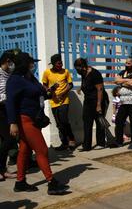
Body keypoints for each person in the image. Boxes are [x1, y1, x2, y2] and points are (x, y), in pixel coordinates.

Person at [6, 52, 69, 195]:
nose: (33, 65)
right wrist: (12, 123)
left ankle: (20, 182)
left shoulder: (30, 78)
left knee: (25, 150)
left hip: (34, 118)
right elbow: (10, 102)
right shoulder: (15, 80)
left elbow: (40, 93)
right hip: (25, 120)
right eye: (30, 63)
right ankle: (51, 183)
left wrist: (50, 91)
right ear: (24, 64)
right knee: (42, 150)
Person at [74, 58, 110, 151]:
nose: (77, 72)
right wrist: (80, 87)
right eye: (76, 69)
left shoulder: (95, 73)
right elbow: (86, 82)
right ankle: (87, 146)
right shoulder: (83, 73)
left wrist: (98, 105)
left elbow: (100, 89)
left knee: (99, 122)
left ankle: (101, 143)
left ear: (84, 67)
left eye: (78, 69)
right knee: (87, 122)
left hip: (99, 100)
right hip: (88, 100)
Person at [42, 54, 76, 151]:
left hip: (64, 100)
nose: (60, 65)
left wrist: (63, 93)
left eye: (61, 63)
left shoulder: (65, 71)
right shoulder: (47, 72)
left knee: (64, 121)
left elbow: (70, 85)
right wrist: (49, 90)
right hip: (53, 101)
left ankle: (72, 139)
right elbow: (44, 85)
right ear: (53, 64)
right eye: (58, 64)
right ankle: (64, 143)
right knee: (59, 123)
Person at [114, 57, 132, 150]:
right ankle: (119, 141)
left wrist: (122, 81)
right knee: (119, 120)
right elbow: (116, 80)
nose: (126, 65)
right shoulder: (123, 72)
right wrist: (127, 80)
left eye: (129, 63)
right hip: (124, 101)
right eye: (126, 63)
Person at [0, 50, 17, 181]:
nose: (13, 65)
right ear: (7, 61)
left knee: (8, 140)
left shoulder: (9, 73)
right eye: (12, 62)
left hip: (7, 109)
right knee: (8, 139)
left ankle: (2, 169)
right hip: (1, 108)